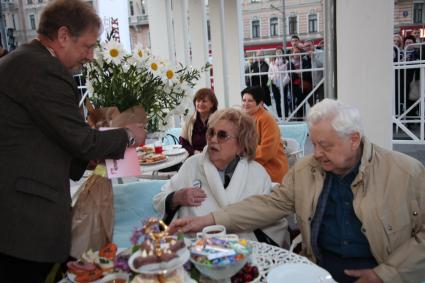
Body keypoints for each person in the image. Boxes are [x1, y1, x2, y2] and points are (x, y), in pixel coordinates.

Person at [170, 99, 425, 283]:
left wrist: (386, 274)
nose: (317, 153)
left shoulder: (405, 172)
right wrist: (207, 220)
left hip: (379, 271)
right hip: (315, 271)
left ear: (354, 139)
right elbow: (269, 204)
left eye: (325, 145)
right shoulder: (306, 171)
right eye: (314, 144)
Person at [0, 0, 145, 282]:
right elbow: (81, 140)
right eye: (87, 46)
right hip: (24, 222)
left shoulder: (24, 61)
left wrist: (88, 158)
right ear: (63, 36)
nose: (90, 56)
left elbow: (47, 136)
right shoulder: (43, 68)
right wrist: (128, 134)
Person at [154, 108, 289, 247]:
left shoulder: (257, 174)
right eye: (211, 133)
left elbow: (269, 219)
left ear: (241, 145)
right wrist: (176, 197)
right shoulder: (192, 165)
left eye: (222, 135)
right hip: (197, 246)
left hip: (243, 249)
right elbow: (160, 199)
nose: (213, 139)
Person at [241, 86, 288, 183]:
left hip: (271, 168)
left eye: (250, 101)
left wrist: (246, 151)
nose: (246, 104)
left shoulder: (266, 119)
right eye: (244, 100)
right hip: (252, 165)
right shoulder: (245, 118)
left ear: (260, 103)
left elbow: (267, 151)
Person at [179, 88, 218, 156]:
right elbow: (182, 142)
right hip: (194, 157)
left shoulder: (218, 119)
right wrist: (194, 152)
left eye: (204, 101)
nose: (200, 103)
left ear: (212, 104)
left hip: (214, 157)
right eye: (198, 101)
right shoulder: (189, 120)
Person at [268, 47, 290, 118]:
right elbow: (269, 74)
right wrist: (273, 78)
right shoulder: (272, 64)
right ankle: (280, 116)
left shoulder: (286, 62)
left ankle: (286, 116)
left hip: (284, 84)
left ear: (283, 53)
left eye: (280, 52)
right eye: (277, 52)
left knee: (284, 100)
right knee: (277, 101)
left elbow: (288, 74)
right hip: (275, 84)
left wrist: (283, 83)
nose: (278, 53)